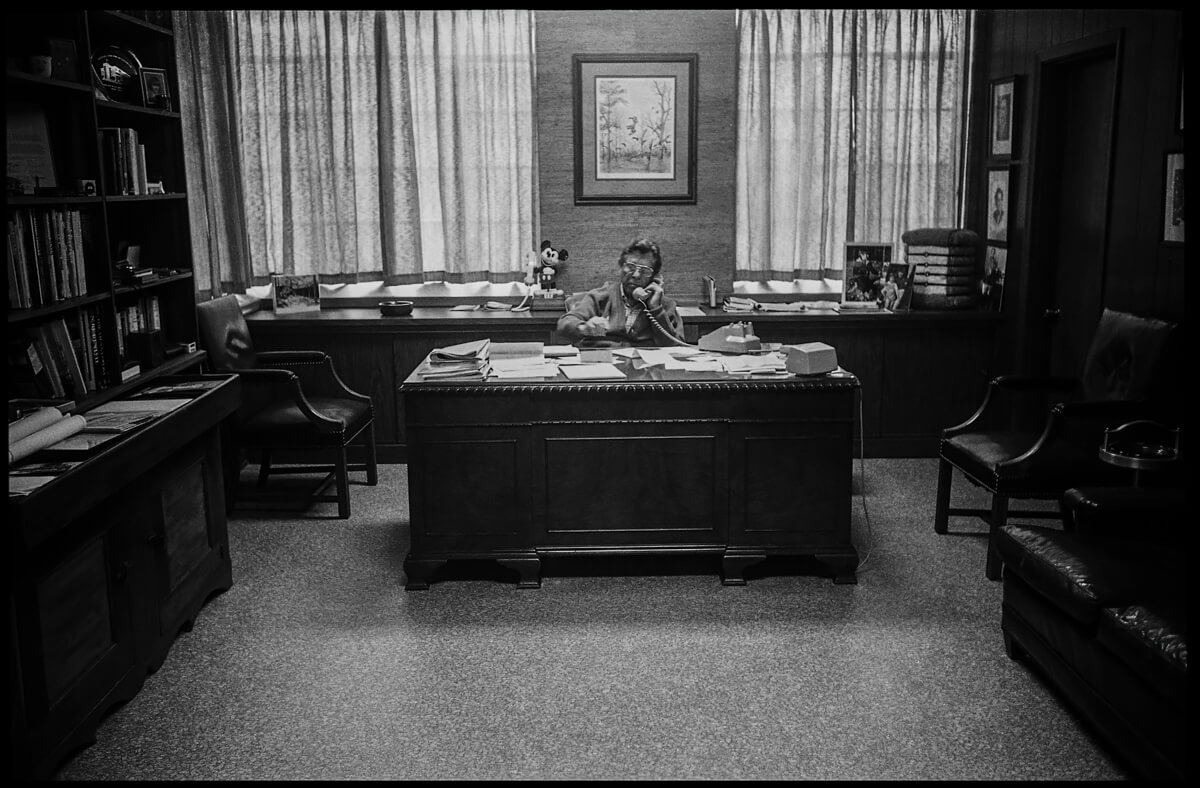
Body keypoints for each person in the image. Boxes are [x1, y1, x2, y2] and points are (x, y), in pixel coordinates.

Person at [556, 237, 685, 347]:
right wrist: (584, 328)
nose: (636, 275)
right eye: (630, 266)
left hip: (646, 374)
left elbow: (678, 349)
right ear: (621, 266)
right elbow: (564, 324)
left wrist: (656, 310)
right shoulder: (600, 296)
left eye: (645, 271)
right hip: (604, 368)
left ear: (654, 277)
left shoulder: (665, 305)